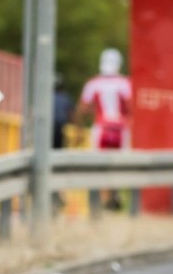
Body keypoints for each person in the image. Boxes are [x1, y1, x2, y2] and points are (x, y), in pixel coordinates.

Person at [74, 48, 132, 209]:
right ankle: (115, 196)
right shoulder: (126, 83)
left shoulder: (93, 84)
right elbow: (131, 108)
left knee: (99, 166)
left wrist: (79, 131)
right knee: (120, 165)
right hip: (121, 129)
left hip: (101, 128)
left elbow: (82, 110)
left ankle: (102, 200)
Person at [52, 72, 73, 211]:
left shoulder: (44, 98)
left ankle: (53, 194)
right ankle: (57, 193)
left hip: (45, 133)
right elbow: (72, 115)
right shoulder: (65, 98)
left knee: (50, 165)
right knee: (57, 164)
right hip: (59, 131)